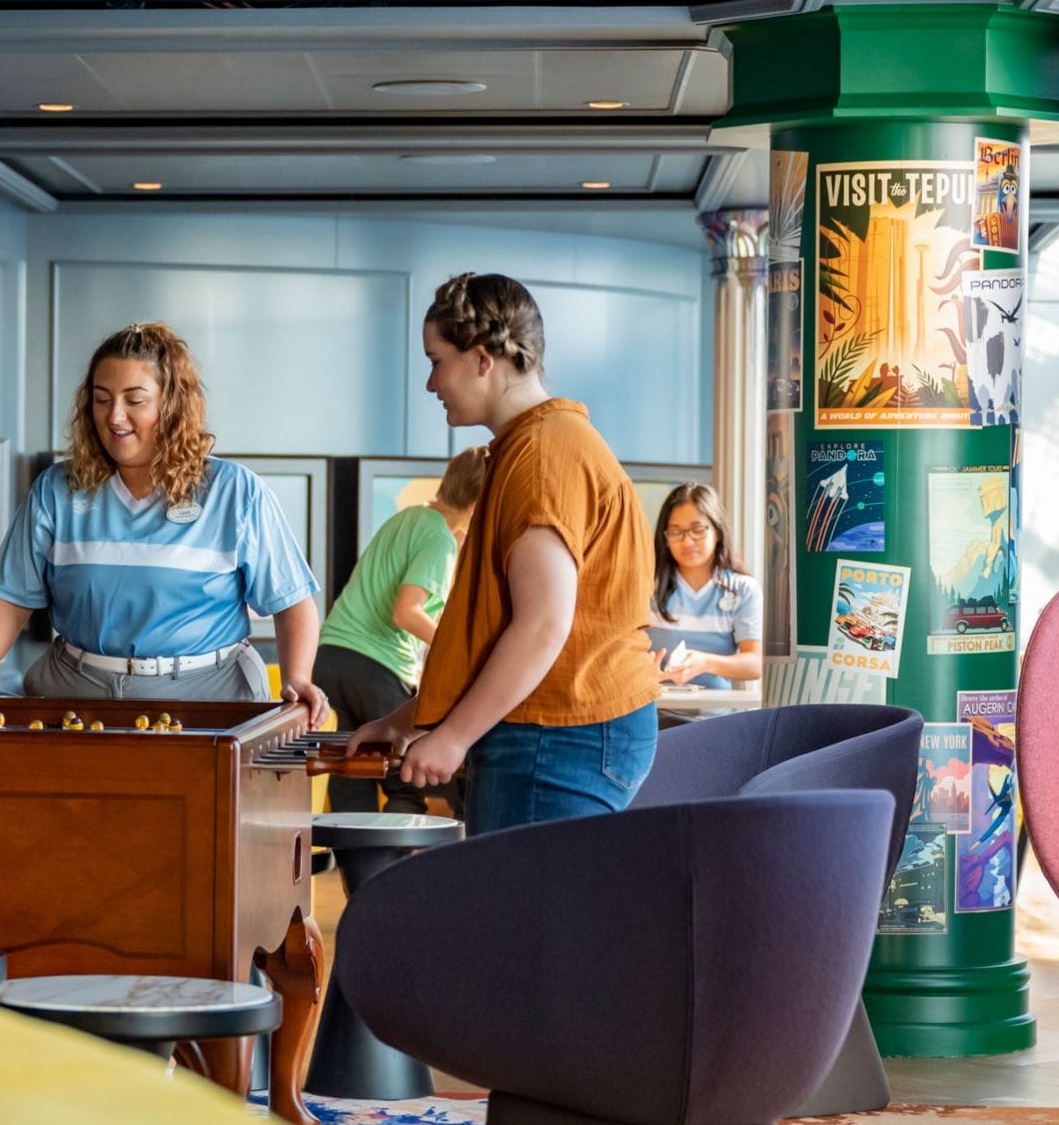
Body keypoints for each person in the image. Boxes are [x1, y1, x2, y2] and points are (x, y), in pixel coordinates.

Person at [346, 273, 659, 835]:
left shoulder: (540, 457)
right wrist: (409, 719)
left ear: (484, 358)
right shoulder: (534, 444)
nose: (430, 382)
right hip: (561, 729)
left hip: (559, 734)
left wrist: (455, 737)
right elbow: (492, 623)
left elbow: (543, 624)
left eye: (436, 359)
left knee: (522, 920)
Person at [0, 322, 328, 726]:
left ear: (172, 403)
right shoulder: (57, 488)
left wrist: (297, 679)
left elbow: (292, 603)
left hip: (210, 694)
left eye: (135, 399)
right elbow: (11, 598)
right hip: (75, 690)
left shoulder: (235, 491)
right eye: (102, 398)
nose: (114, 416)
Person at [316, 447, 488, 815]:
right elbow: (407, 613)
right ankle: (403, 873)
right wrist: (456, 654)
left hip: (330, 658)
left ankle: (364, 877)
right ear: (478, 504)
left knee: (352, 783)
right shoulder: (439, 538)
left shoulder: (409, 518)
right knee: (408, 784)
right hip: (377, 666)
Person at [645, 482, 762, 690]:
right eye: (675, 532)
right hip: (659, 714)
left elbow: (756, 664)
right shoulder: (647, 587)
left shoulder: (742, 589)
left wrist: (706, 663)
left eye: (697, 530)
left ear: (717, 532)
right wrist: (641, 668)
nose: (687, 541)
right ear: (664, 538)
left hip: (716, 717)